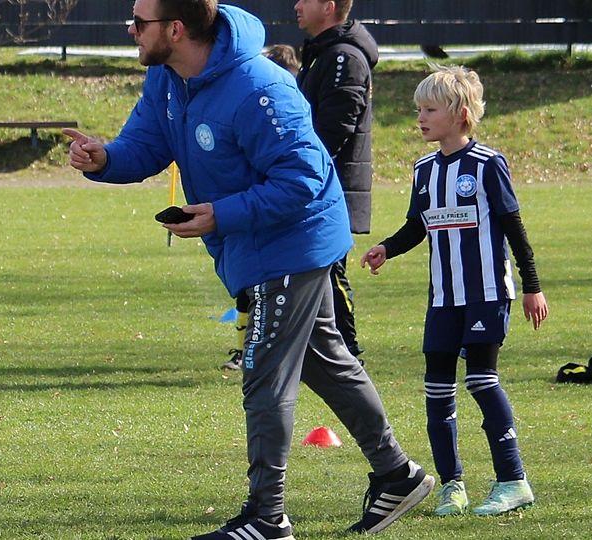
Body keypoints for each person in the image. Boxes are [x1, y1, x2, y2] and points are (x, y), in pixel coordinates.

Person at [64, 1, 433, 538]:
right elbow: (145, 144)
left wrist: (222, 214)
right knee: (324, 362)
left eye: (139, 22)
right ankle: (398, 474)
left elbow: (303, 179)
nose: (130, 29)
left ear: (175, 28)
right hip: (254, 245)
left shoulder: (261, 88)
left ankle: (267, 517)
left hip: (292, 243)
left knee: (265, 378)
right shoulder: (168, 78)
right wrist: (106, 158)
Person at [360, 65, 548, 517]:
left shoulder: (487, 164)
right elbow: (417, 226)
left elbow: (514, 227)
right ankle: (452, 486)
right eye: (418, 110)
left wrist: (532, 287)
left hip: (486, 292)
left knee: (482, 381)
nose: (420, 118)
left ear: (461, 114)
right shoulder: (424, 169)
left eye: (430, 110)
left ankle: (513, 480)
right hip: (443, 298)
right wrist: (387, 248)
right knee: (437, 390)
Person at [221, 0, 377, 370]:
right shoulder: (322, 53)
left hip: (325, 191)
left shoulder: (343, 58)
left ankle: (349, 354)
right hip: (310, 187)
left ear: (329, 6)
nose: (296, 5)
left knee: (330, 273)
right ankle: (305, 354)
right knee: (310, 276)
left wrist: (296, 172)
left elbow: (333, 131)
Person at [219, 42, 299, 371]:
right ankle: (244, 352)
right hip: (246, 209)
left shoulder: (286, 105)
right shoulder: (247, 103)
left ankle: (258, 355)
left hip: (274, 218)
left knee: (268, 291)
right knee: (246, 289)